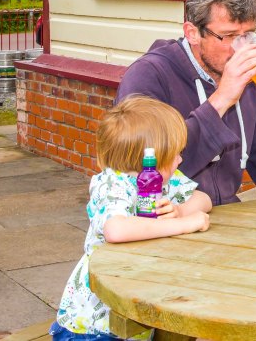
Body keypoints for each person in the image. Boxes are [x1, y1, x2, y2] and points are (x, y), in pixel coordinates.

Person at [116, 0, 256, 206]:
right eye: (229, 36)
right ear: (192, 33)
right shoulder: (149, 76)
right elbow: (142, 169)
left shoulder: (247, 82)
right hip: (161, 220)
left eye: (249, 34)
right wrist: (220, 100)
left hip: (224, 218)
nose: (240, 49)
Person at [52, 97, 212, 340]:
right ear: (153, 158)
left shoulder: (165, 179)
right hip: (95, 326)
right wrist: (180, 224)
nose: (180, 159)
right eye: (176, 153)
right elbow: (116, 230)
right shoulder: (113, 185)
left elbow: (203, 199)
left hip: (135, 309)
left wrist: (180, 210)